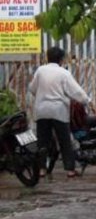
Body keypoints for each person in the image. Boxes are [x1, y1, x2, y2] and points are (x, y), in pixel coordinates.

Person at [28, 46, 91, 178]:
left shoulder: (40, 71)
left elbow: (32, 88)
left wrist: (42, 94)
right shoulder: (64, 73)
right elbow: (76, 91)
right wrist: (87, 100)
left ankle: (42, 170)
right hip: (59, 111)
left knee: (42, 141)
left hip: (42, 110)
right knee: (64, 141)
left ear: (47, 57)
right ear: (61, 59)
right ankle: (69, 170)